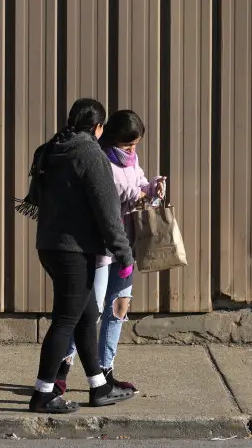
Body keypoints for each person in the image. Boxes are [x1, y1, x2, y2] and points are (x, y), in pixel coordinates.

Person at [18, 97, 136, 414]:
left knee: (86, 317)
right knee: (65, 321)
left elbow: (38, 198)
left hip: (50, 246)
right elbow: (108, 212)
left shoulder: (52, 149)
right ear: (98, 127)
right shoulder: (90, 154)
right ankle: (43, 393)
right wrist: (124, 254)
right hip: (74, 250)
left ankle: (99, 386)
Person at [54, 109, 163, 395]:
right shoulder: (99, 160)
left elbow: (137, 184)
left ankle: (106, 370)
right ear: (112, 139)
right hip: (101, 249)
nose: (132, 151)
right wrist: (138, 194)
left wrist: (152, 187)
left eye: (136, 145)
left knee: (119, 309)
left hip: (126, 246)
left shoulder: (130, 160)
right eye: (127, 145)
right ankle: (62, 368)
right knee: (91, 311)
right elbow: (110, 199)